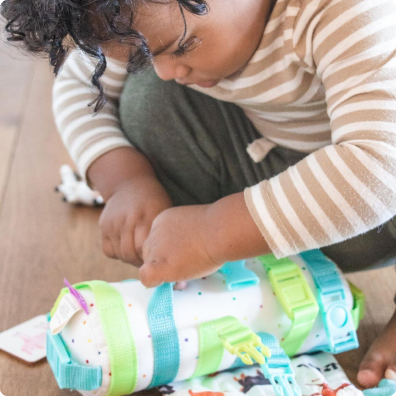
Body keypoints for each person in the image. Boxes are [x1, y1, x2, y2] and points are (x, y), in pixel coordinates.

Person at [2, 0, 396, 389]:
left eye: (182, 47)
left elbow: (378, 165)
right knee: (149, 101)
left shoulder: (348, 9)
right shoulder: (138, 18)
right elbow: (78, 86)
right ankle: (235, 266)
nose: (166, 70)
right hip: (280, 172)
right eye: (144, 57)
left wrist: (213, 233)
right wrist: (125, 182)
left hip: (378, 211)